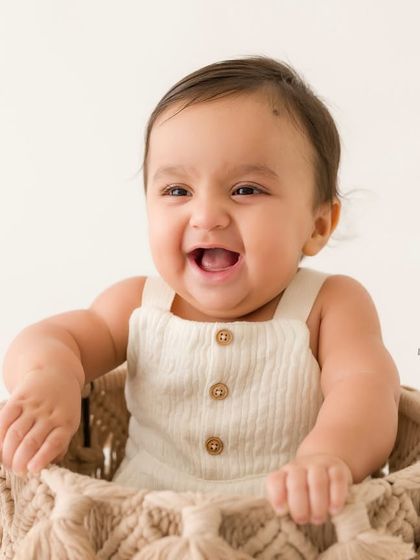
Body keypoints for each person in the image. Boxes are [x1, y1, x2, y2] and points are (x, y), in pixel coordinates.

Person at [0, 55, 400, 527]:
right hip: (141, 527)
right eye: (176, 191)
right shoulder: (137, 303)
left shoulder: (330, 306)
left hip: (284, 527)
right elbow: (54, 337)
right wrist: (54, 378)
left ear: (317, 225)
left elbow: (367, 389)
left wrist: (328, 455)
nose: (207, 215)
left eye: (246, 190)